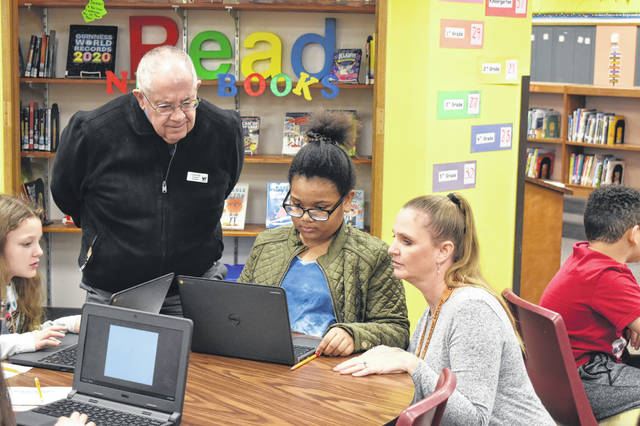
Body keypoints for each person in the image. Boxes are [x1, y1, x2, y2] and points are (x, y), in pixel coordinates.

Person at [51, 46, 243, 315]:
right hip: (115, 292)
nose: (178, 116)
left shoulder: (224, 130)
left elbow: (226, 185)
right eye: (164, 106)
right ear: (141, 98)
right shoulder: (92, 132)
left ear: (197, 88)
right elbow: (65, 194)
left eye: (188, 102)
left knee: (200, 360)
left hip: (193, 288)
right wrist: (105, 238)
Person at [334, 193, 553, 424]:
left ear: (444, 251)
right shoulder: (436, 305)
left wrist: (410, 363)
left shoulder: (473, 309)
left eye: (406, 241)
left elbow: (474, 420)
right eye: (394, 237)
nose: (392, 249)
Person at [238, 111, 409, 356]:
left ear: (348, 200)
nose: (305, 217)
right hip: (266, 363)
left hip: (331, 372)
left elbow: (397, 330)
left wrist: (354, 334)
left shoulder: (373, 256)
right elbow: (238, 308)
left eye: (320, 209)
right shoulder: (267, 244)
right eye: (296, 205)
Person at [540, 185, 640, 420]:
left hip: (564, 378)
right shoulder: (605, 277)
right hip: (586, 379)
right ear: (634, 234)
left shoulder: (586, 259)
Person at [0, 195, 80, 359]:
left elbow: (22, 334)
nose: (39, 252)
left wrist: (67, 324)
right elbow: (21, 340)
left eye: (39, 242)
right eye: (27, 244)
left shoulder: (13, 285)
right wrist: (26, 341)